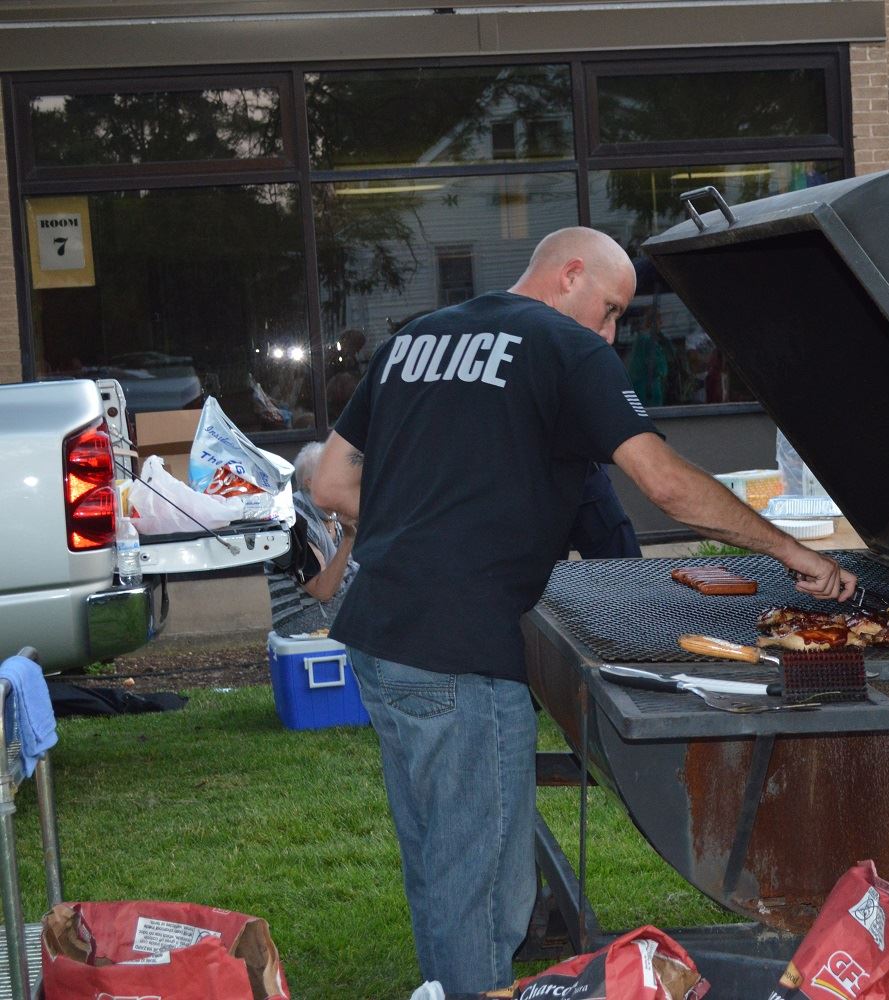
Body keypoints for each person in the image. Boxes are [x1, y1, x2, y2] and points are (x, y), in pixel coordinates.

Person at [310, 226, 856, 995]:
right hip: (460, 648)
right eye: (608, 309)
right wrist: (788, 551)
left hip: (377, 635)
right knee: (484, 892)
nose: (609, 332)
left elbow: (331, 483)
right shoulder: (567, 349)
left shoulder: (419, 338)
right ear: (569, 275)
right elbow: (664, 484)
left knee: (437, 860)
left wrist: (423, 520)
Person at [264, 439, 357, 636]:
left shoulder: (330, 514)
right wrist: (349, 539)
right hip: (301, 620)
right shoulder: (292, 520)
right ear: (310, 482)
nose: (343, 480)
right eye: (334, 474)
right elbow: (322, 591)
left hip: (330, 610)